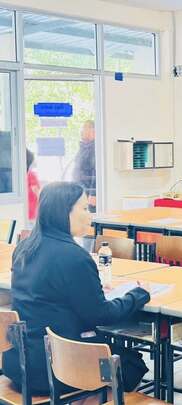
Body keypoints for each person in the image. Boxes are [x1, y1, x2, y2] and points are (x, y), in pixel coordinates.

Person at [2, 182, 150, 395]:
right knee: (132, 364)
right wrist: (137, 295)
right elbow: (101, 315)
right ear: (64, 212)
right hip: (54, 369)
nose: (90, 215)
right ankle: (88, 398)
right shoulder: (74, 256)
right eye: (84, 208)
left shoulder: (25, 247)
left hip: (20, 365)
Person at [73, 120, 96, 212]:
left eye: (87, 127)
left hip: (89, 194)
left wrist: (94, 194)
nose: (83, 130)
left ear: (93, 131)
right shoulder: (83, 147)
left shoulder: (95, 148)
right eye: (83, 127)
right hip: (81, 191)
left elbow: (96, 171)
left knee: (91, 216)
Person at [26, 148, 40, 222]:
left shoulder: (22, 176)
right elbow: (36, 191)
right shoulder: (31, 175)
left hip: (27, 211)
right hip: (31, 212)